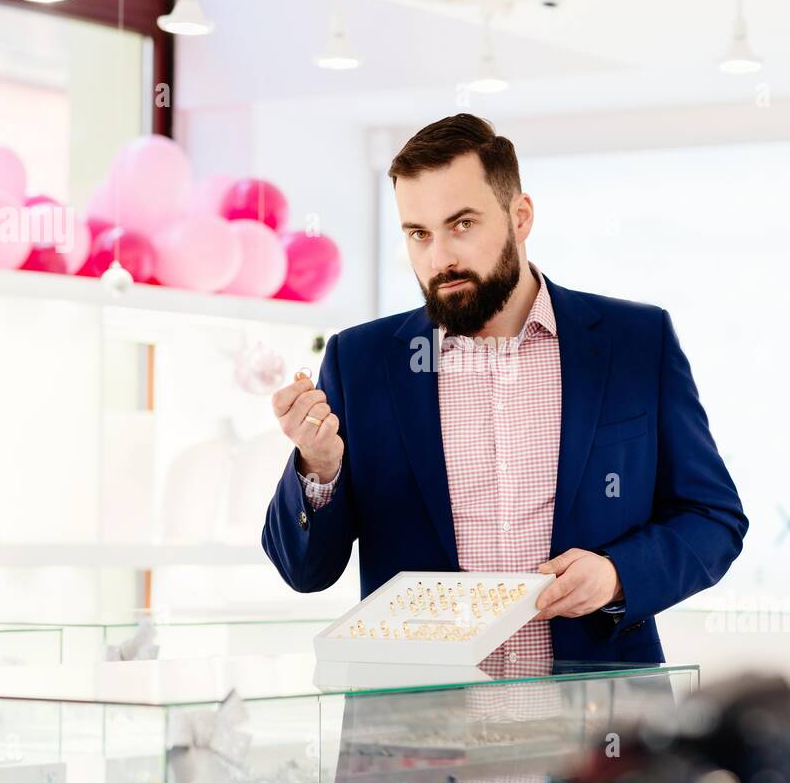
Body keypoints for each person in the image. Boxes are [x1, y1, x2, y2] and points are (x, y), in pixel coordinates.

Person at [262, 113, 747, 664]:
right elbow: (304, 573)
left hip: (597, 729)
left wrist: (617, 576)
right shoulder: (360, 360)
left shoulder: (635, 341)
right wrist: (318, 468)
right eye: (419, 233)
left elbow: (713, 519)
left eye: (462, 224)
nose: (439, 257)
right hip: (418, 730)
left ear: (520, 216)